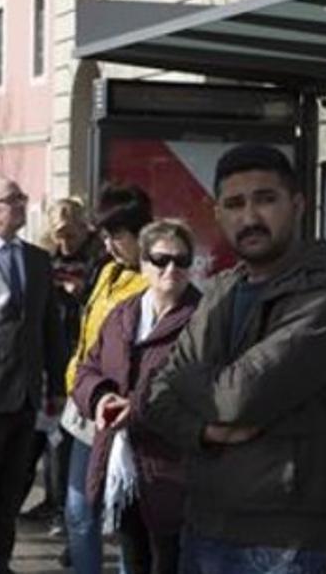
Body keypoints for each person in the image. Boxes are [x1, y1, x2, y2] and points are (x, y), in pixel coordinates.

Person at [145, 144, 326, 574]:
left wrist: (191, 381)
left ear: (297, 205)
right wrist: (207, 431)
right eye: (235, 204)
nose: (250, 217)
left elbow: (236, 397)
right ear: (218, 214)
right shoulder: (223, 289)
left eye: (265, 199)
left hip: (281, 541)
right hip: (203, 523)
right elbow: (155, 395)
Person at [73, 219, 201, 574]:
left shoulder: (203, 318)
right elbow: (87, 370)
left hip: (175, 467)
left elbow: (197, 386)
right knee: (134, 558)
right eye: (161, 260)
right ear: (143, 263)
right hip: (123, 462)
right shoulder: (122, 314)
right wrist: (99, 399)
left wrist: (138, 409)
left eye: (181, 260)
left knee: (171, 561)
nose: (171, 269)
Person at [62, 184, 153, 574]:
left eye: (119, 236)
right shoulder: (107, 271)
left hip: (123, 411)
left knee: (125, 517)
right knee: (78, 510)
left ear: (141, 234)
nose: (112, 244)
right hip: (84, 404)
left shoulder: (154, 281)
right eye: (107, 236)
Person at [0, 177, 65, 574]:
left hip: (27, 397)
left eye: (21, 199)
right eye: (10, 199)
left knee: (12, 490)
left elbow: (49, 326)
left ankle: (0, 561)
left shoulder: (37, 259)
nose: (19, 205)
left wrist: (57, 385)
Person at [21, 198, 104, 537]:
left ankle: (61, 509)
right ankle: (46, 501)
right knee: (40, 437)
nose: (66, 242)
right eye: (60, 235)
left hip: (81, 355)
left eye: (71, 234)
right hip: (50, 354)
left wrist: (79, 292)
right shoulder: (45, 259)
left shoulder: (97, 262)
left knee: (64, 438)